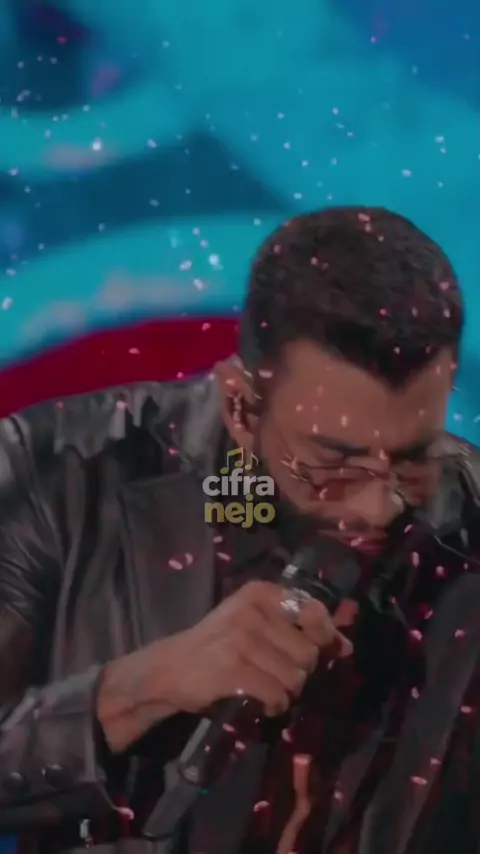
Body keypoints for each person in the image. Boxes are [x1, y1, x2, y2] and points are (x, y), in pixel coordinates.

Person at [1, 207, 480, 854]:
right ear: (241, 406)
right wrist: (141, 689)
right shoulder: (56, 474)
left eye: (414, 456)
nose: (378, 505)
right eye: (334, 460)